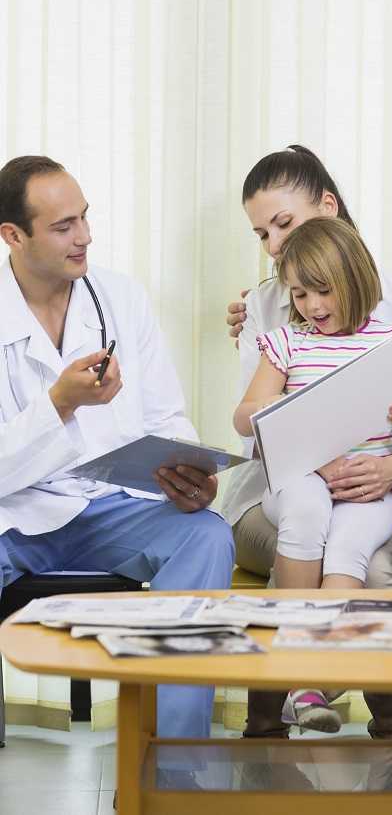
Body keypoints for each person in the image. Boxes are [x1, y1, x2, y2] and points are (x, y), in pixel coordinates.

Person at [0, 155, 235, 740]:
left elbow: (165, 416)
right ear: (13, 235)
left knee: (208, 535)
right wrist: (59, 402)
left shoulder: (120, 299)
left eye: (84, 218)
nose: (84, 237)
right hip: (10, 517)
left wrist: (188, 475)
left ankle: (177, 759)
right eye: (62, 227)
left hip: (105, 509)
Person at [223, 144, 392, 741]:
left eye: (285, 224)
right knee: (315, 529)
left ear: (329, 206)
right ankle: (277, 719)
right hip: (275, 492)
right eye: (261, 233)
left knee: (364, 560)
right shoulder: (269, 307)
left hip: (372, 491)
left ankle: (380, 731)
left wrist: (391, 468)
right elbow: (254, 426)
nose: (273, 247)